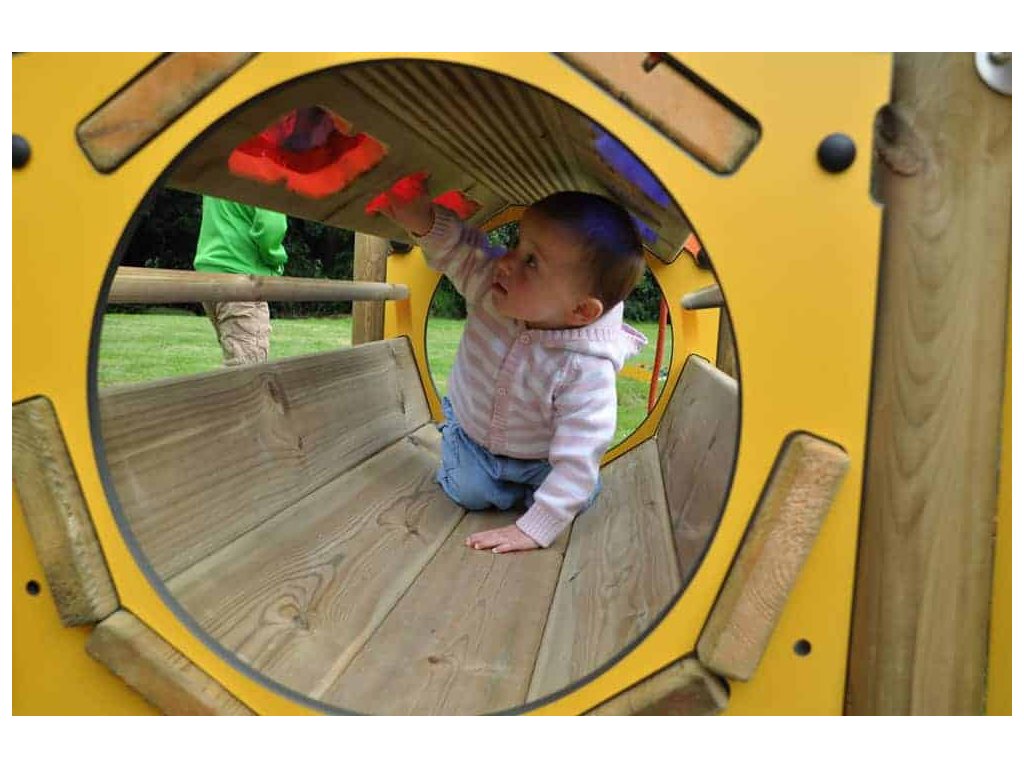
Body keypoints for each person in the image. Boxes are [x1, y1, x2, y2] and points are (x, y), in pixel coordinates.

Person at [380, 183, 647, 554]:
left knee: (577, 494)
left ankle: (534, 493)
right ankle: (489, 469)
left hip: (542, 458)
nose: (506, 261)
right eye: (517, 245)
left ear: (581, 310)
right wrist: (424, 221)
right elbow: (460, 251)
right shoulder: (491, 286)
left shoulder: (588, 366)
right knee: (470, 492)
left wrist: (535, 528)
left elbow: (580, 452)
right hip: (475, 439)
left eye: (531, 262)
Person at [193, 195, 289, 366]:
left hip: (209, 272)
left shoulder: (216, 177)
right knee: (248, 370)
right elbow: (271, 226)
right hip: (241, 276)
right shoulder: (264, 177)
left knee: (237, 359)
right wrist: (275, 259)